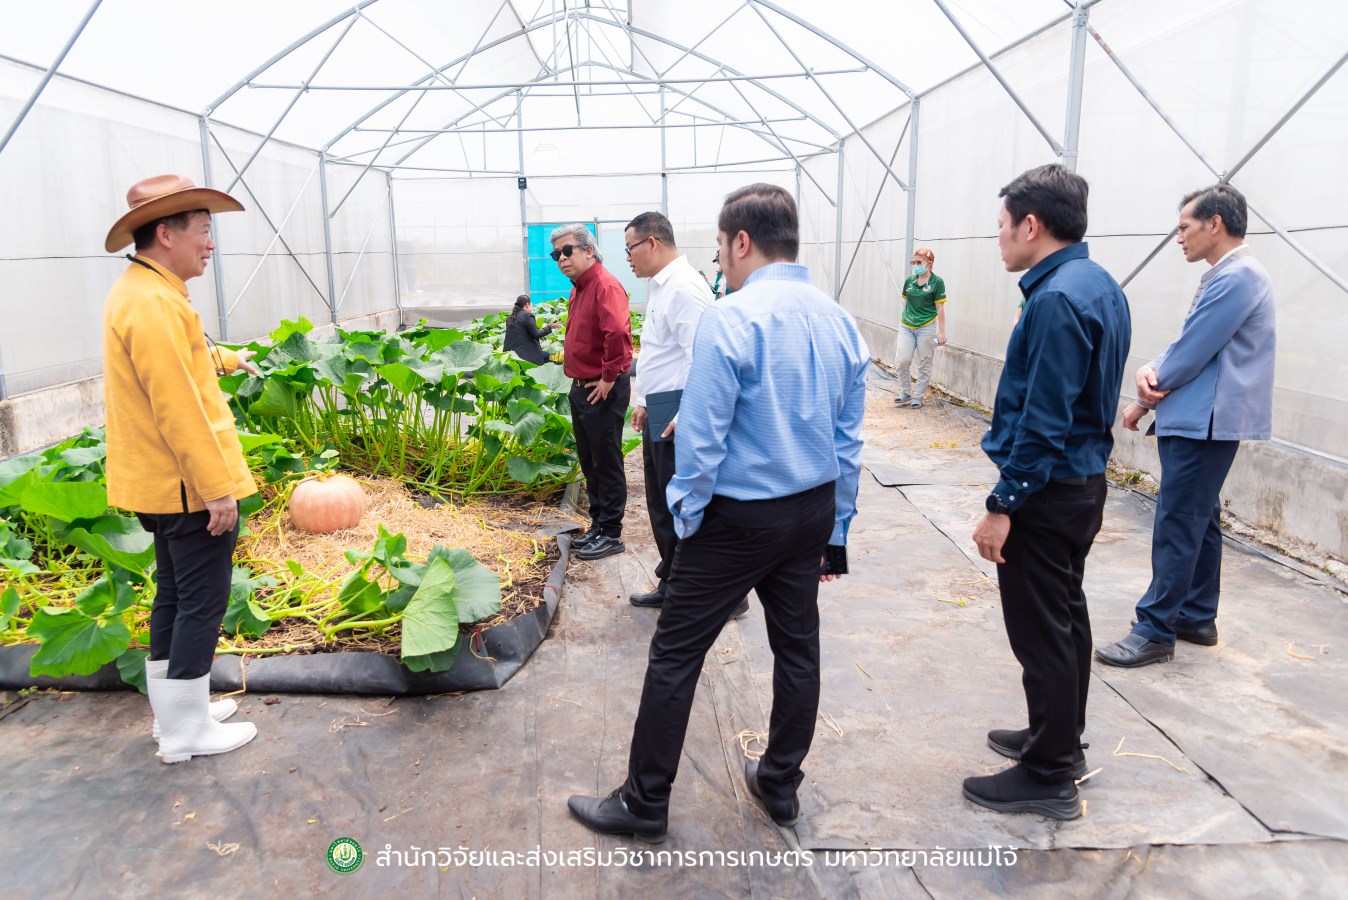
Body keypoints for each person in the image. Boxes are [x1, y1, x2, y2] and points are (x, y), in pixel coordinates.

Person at [567, 183, 869, 843]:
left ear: (741, 242)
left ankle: (644, 802)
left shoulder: (732, 318)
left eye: (722, 247)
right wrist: (837, 531)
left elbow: (701, 439)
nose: (721, 259)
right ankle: (780, 782)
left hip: (738, 516)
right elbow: (848, 443)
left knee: (676, 652)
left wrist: (687, 517)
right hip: (811, 509)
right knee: (798, 648)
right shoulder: (839, 320)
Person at [967, 164, 1131, 820]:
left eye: (1002, 226)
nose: (1000, 238)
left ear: (1031, 225)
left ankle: (1049, 775)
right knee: (1065, 619)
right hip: (1079, 484)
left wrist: (1003, 504)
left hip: (1048, 489)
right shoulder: (1097, 284)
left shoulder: (1058, 299)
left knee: (1041, 632)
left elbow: (1044, 418)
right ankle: (1058, 737)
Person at [101, 174, 262, 763]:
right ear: (166, 234)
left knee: (174, 595)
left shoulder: (146, 291)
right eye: (203, 230)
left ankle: (176, 713)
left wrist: (228, 358)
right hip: (185, 485)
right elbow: (176, 405)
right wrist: (216, 489)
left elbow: (179, 362)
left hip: (161, 483)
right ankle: (185, 732)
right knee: (202, 600)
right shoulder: (152, 304)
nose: (210, 243)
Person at [1095, 184, 1275, 668]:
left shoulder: (1238, 276)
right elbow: (1193, 342)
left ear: (1215, 224)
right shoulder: (1231, 275)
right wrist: (1153, 371)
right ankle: (1196, 615)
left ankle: (1154, 629)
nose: (1179, 237)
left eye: (1184, 227)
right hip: (1203, 418)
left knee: (1178, 521)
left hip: (1205, 420)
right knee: (1200, 518)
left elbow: (1193, 349)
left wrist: (1144, 395)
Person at [621, 212, 715, 609]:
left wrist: (685, 414)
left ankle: (712, 593)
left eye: (630, 248)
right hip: (662, 406)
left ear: (652, 243)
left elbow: (702, 357)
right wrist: (644, 401)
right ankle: (675, 581)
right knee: (662, 501)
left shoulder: (684, 288)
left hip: (680, 410)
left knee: (683, 504)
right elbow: (662, 353)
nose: (627, 257)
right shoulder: (662, 286)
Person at [553, 223, 634, 562]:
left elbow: (618, 333)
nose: (561, 258)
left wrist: (609, 377)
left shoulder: (604, 285)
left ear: (588, 250)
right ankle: (599, 524)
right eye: (556, 254)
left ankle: (612, 532)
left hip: (601, 389)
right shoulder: (579, 288)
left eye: (567, 250)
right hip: (581, 387)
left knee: (606, 459)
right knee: (590, 460)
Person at [893, 247, 947, 408]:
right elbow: (907, 302)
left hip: (926, 327)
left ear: (929, 263)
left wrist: (941, 331)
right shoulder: (909, 281)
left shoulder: (937, 282)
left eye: (919, 262)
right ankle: (905, 392)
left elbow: (940, 308)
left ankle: (919, 396)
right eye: (914, 262)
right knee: (902, 360)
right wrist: (908, 317)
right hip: (906, 326)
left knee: (925, 362)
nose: (915, 265)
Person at [502, 294, 553, 365]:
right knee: (546, 356)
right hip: (524, 355)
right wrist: (549, 327)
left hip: (509, 354)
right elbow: (537, 334)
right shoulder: (527, 315)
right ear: (527, 305)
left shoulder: (510, 317)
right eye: (531, 305)